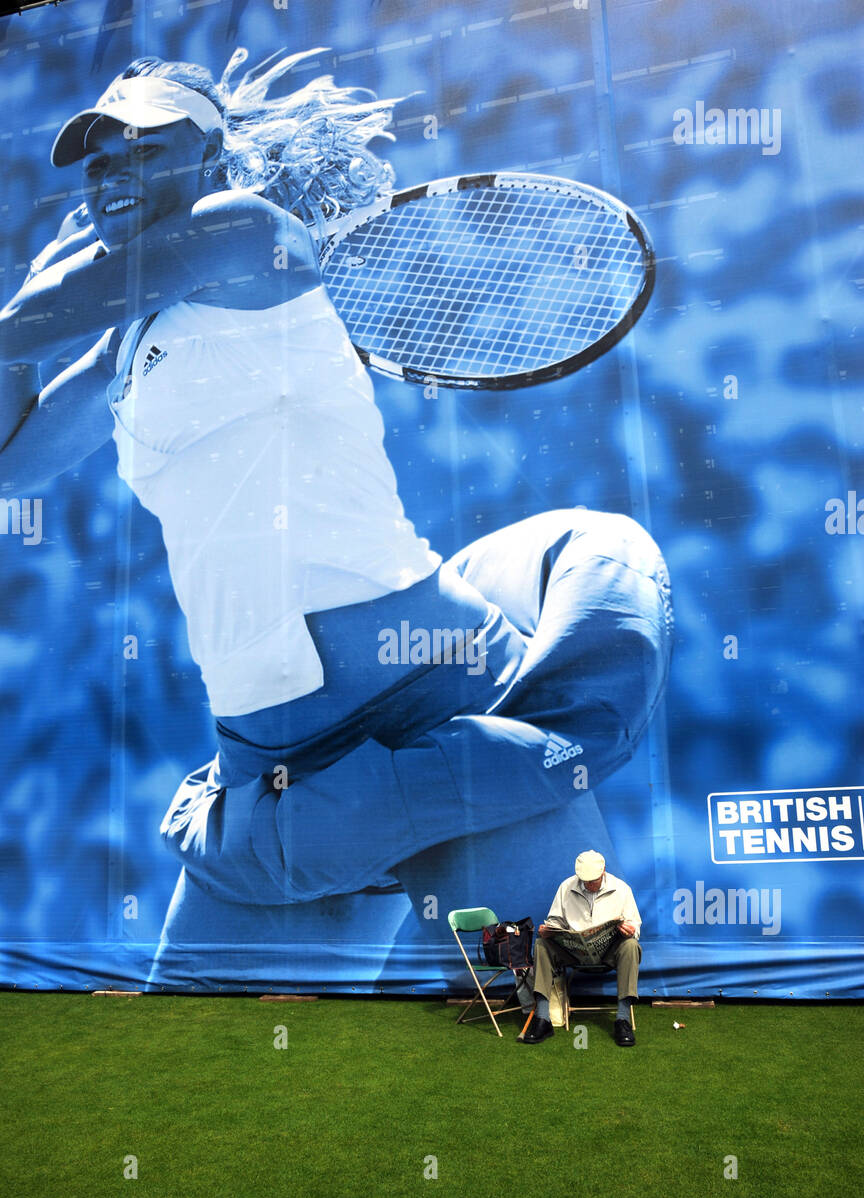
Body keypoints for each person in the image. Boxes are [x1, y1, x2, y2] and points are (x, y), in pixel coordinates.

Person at [0, 50, 673, 983]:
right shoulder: (125, 346)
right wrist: (25, 327)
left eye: (145, 148)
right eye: (99, 160)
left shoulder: (244, 232)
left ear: (210, 160)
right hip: (271, 777)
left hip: (440, 717)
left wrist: (40, 293)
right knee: (211, 1106)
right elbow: (13, 460)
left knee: (558, 1040)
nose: (113, 170)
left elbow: (41, 315)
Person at [518, 849, 641, 1046]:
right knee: (542, 944)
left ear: (603, 872)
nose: (589, 884)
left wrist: (629, 930)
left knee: (631, 945)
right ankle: (543, 1018)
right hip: (573, 951)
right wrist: (550, 930)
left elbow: (635, 926)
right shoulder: (566, 887)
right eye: (585, 880)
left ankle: (623, 1019)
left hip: (608, 953)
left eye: (593, 880)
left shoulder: (622, 889)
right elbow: (554, 920)